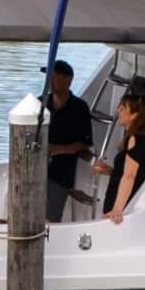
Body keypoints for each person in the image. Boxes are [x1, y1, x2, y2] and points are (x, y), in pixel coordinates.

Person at [91, 91, 145, 224]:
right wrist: (108, 170)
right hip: (124, 207)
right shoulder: (142, 140)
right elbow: (130, 173)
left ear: (134, 115)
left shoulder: (135, 139)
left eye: (122, 108)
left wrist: (117, 210)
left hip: (120, 209)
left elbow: (129, 176)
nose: (118, 112)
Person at [41, 60, 94, 221]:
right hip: (37, 171)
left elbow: (85, 143)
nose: (49, 81)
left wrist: (57, 150)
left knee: (51, 220)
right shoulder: (39, 103)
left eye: (53, 77)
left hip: (60, 175)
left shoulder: (79, 108)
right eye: (48, 76)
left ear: (68, 80)